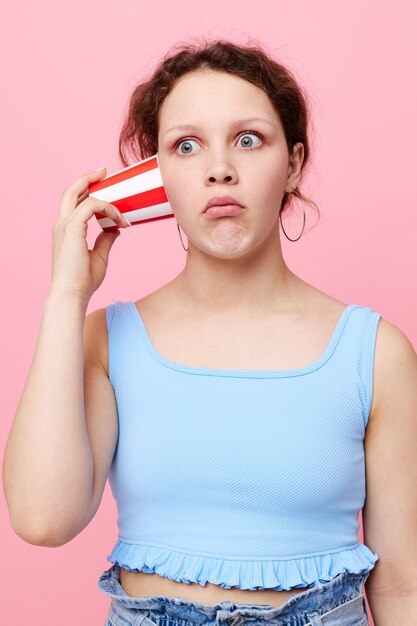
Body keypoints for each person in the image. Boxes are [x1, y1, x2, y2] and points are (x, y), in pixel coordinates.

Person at [3, 38, 417, 626]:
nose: (219, 168)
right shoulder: (104, 340)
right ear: (156, 176)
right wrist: (66, 295)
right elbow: (42, 519)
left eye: (248, 140)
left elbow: (404, 588)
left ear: (294, 162)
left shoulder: (375, 354)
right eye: (186, 146)